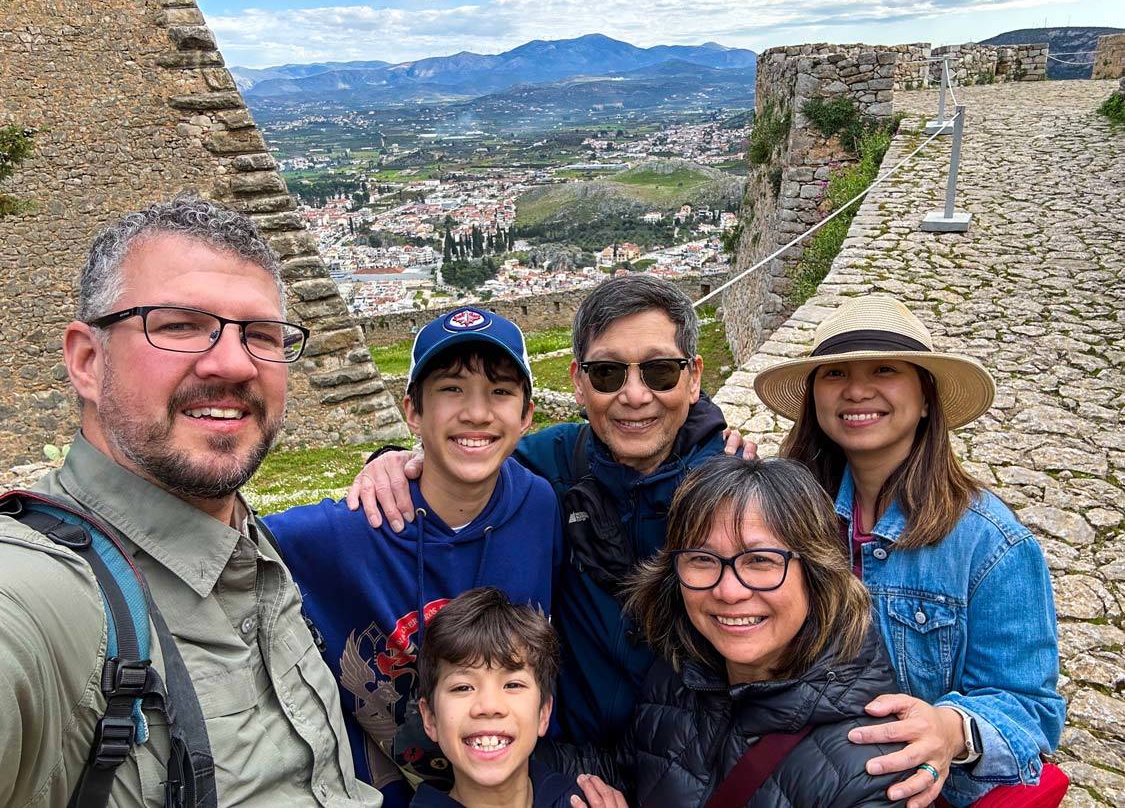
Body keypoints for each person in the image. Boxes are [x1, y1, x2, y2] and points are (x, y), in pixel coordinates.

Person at [0, 196, 380, 806]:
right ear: (88, 361)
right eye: (178, 325)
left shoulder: (251, 551)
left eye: (261, 335)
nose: (233, 363)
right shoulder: (36, 601)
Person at [350, 276, 744, 747]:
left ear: (694, 377)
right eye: (607, 373)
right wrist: (393, 461)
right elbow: (468, 456)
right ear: (578, 382)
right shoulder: (550, 463)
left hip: (701, 761)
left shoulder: (738, 491)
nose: (635, 395)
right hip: (576, 761)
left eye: (660, 372)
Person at [752, 294, 1066, 808]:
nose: (856, 390)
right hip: (793, 777)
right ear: (814, 399)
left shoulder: (990, 545)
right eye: (834, 374)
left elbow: (1030, 709)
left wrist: (949, 728)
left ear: (925, 398)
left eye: (884, 369)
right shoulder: (787, 514)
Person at [266, 308, 564, 806]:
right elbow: (221, 543)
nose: (476, 412)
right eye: (451, 388)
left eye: (501, 391)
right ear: (413, 411)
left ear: (527, 415)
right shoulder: (341, 531)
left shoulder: (540, 506)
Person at [539, 455, 913, 806]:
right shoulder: (682, 677)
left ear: (816, 573)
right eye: (702, 559)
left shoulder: (875, 768)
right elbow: (628, 774)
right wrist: (499, 749)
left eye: (761, 561)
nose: (729, 591)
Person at [412, 588, 625, 808]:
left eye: (513, 684)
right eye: (463, 687)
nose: (489, 706)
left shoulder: (584, 802)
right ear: (430, 718)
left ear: (544, 713)